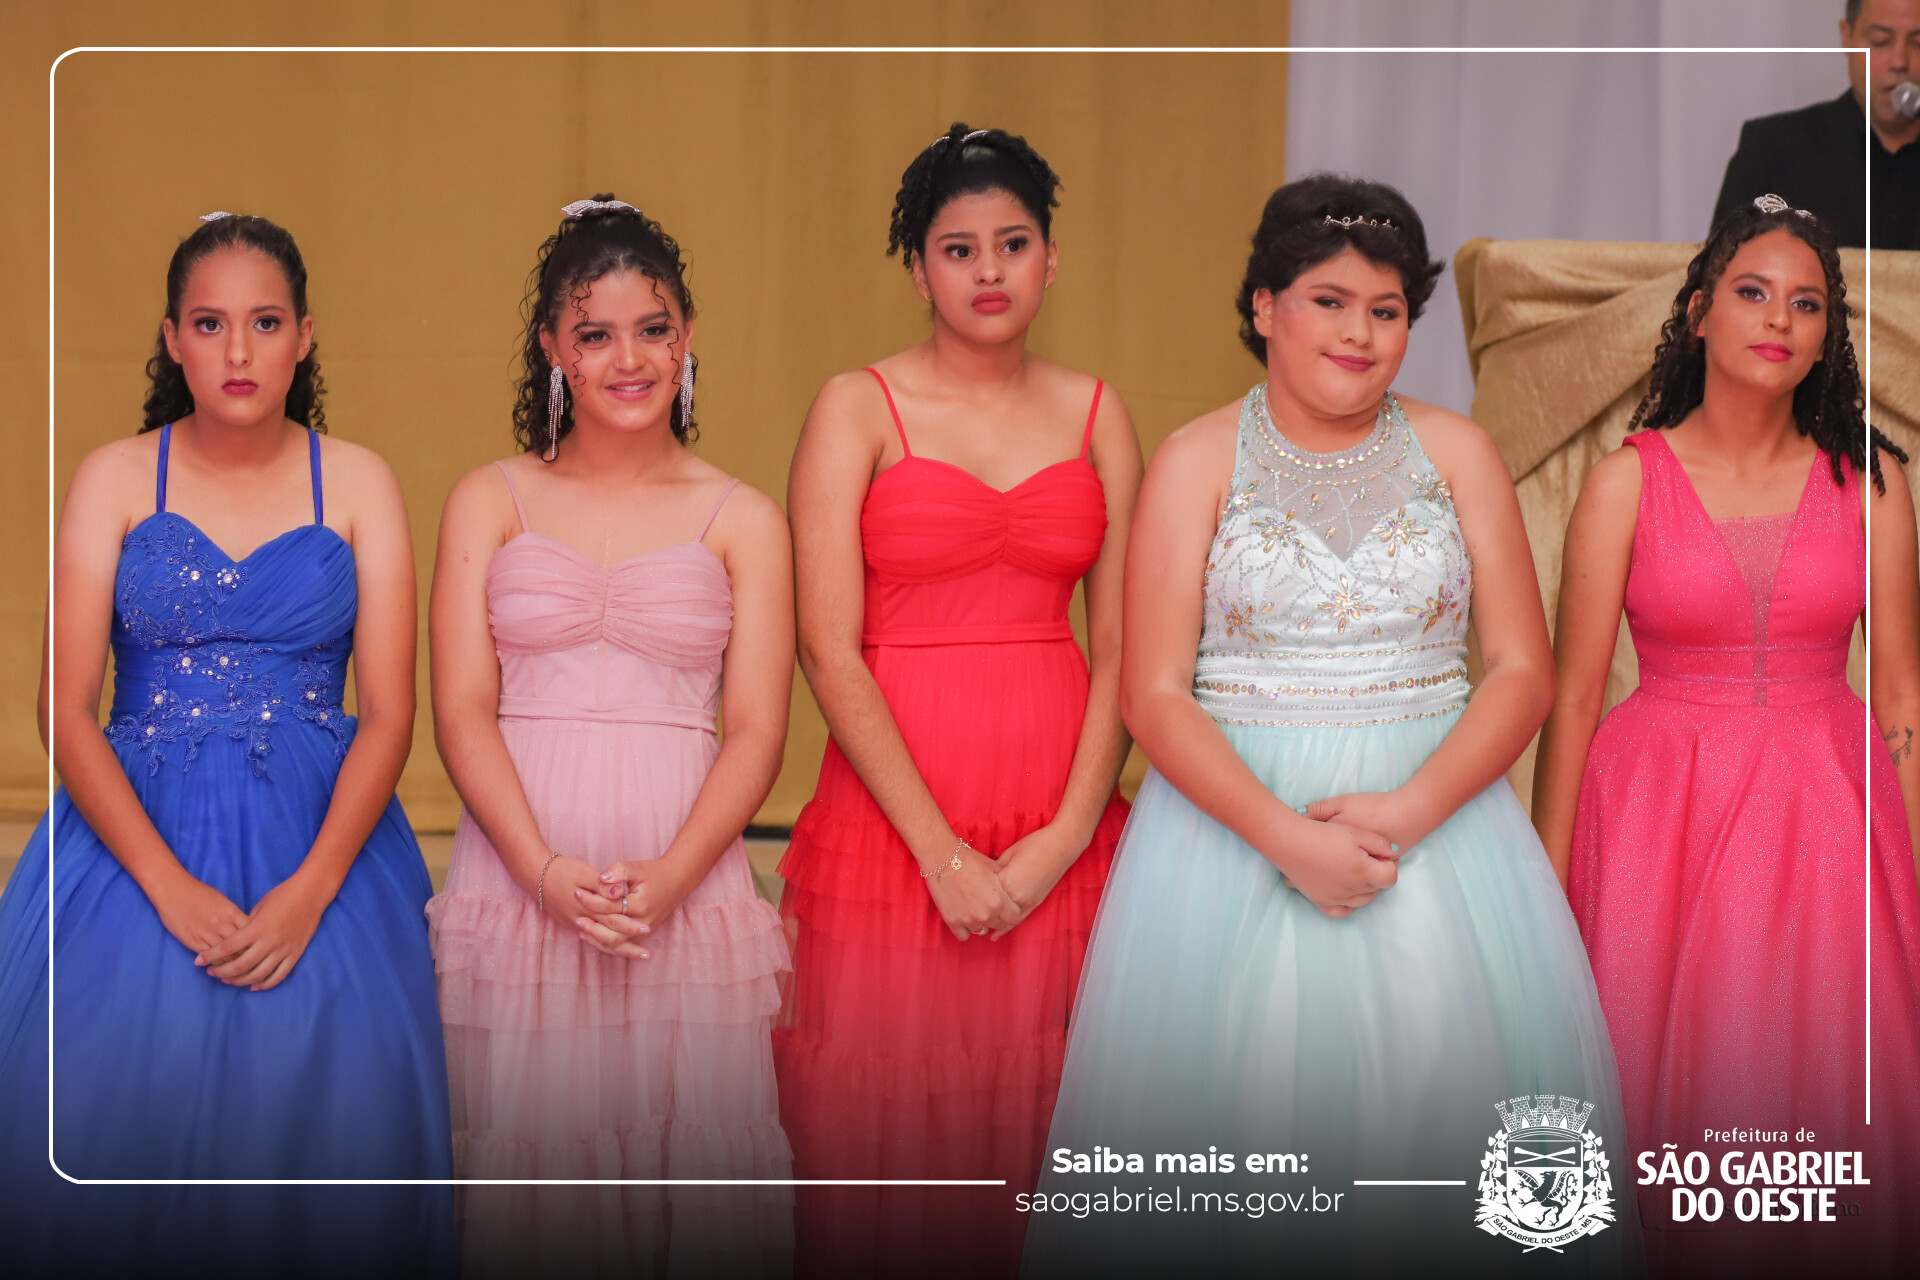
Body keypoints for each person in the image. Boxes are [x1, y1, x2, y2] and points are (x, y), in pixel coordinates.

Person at [1023, 174, 1639, 1276]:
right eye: (1330, 301)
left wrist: (1405, 812)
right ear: (1264, 305)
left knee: (1442, 1116)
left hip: (1439, 828)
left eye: (1387, 310)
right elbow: (1154, 691)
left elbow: (1522, 670)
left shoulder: (1457, 452)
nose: (1360, 332)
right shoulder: (1196, 460)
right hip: (1233, 832)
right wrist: (1287, 839)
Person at [0, 212, 454, 1276]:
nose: (238, 350)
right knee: (109, 1086)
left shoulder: (360, 481)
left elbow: (392, 712)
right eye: (209, 324)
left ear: (305, 335)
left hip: (322, 834)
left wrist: (311, 890)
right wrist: (164, 884)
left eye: (265, 322)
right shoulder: (113, 477)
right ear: (172, 339)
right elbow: (64, 706)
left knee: (335, 1102)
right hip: (134, 831)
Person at [774, 123, 1141, 1276]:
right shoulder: (856, 406)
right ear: (917, 267)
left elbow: (1127, 647)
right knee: (887, 1135)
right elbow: (827, 647)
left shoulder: (1097, 412)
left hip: (1059, 811)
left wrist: (1065, 835)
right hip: (898, 824)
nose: (989, 270)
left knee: (1051, 1116)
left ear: (1051, 259)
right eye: (958, 248)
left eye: (1013, 243)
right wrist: (940, 854)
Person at [1535, 196, 1920, 1274]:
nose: (1780, 319)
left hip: (1831, 820)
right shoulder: (1623, 481)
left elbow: (1901, 694)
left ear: (1827, 336)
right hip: (1655, 818)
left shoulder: (1873, 481)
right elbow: (1571, 701)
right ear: (1700, 312)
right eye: (1753, 293)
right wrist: (1547, 891)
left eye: (1808, 303)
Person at [426, 196, 795, 1275]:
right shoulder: (489, 498)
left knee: (692, 1169)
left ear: (687, 338)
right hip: (521, 869)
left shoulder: (744, 517)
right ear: (554, 347)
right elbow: (460, 708)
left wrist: (675, 876)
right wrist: (540, 871)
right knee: (533, 1177)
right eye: (595, 333)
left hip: (681, 870)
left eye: (653, 329)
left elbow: (758, 728)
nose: (628, 359)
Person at [1712, 0, 1920, 248]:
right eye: (1880, 41)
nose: (1899, 62)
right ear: (1847, 37)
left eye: (1918, 43)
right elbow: (1723, 263)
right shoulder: (1773, 149)